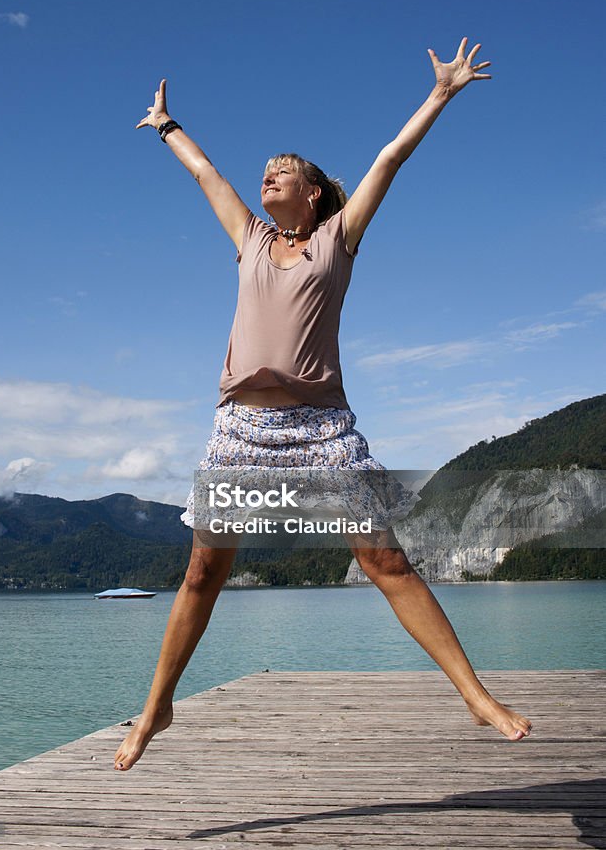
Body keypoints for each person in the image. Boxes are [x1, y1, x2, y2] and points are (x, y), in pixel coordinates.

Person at [113, 38, 532, 772]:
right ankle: (157, 706)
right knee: (200, 575)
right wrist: (168, 127)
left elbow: (389, 160)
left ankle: (473, 693)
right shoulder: (248, 238)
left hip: (320, 431)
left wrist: (440, 94)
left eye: (285, 171)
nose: (268, 173)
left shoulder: (337, 240)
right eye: (266, 171)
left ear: (312, 194)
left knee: (383, 561)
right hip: (240, 430)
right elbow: (207, 174)